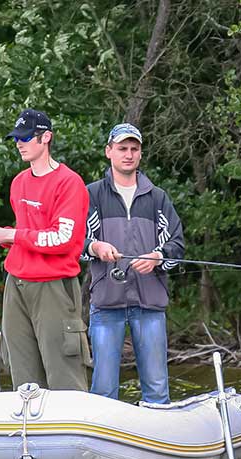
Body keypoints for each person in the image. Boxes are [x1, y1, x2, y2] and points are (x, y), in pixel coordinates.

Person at [0, 108, 90, 391]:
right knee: (22, 372)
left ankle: (72, 429)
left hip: (53, 287)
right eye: (17, 137)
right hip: (16, 285)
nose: (19, 143)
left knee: (64, 372)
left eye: (26, 137)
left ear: (46, 138)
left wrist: (11, 235)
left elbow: (62, 238)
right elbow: (27, 232)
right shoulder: (19, 183)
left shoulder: (69, 182)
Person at [82, 123, 185, 404]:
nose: (128, 154)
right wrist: (95, 246)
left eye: (134, 149)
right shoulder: (91, 195)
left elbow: (177, 245)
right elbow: (75, 241)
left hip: (149, 304)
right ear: (109, 152)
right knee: (103, 390)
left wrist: (158, 257)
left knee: (156, 388)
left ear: (140, 154)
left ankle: (158, 442)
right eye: (122, 148)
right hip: (105, 304)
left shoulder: (158, 197)